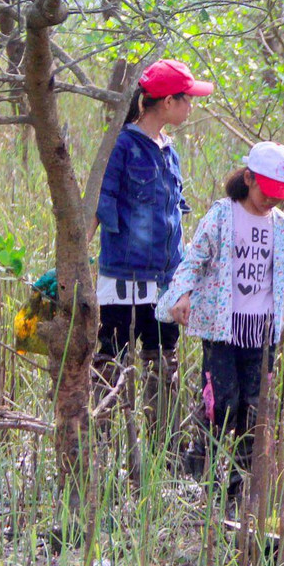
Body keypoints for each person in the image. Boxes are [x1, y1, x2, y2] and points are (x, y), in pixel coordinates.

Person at [157, 141, 284, 495]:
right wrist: (182, 294)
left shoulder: (282, 227)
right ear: (249, 178)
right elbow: (194, 260)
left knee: (255, 407)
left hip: (262, 333)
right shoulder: (222, 216)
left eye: (281, 194)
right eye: (268, 190)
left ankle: (239, 485)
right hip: (222, 329)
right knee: (223, 402)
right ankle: (203, 462)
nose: (273, 200)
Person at [93, 59, 212, 440]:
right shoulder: (123, 146)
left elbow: (174, 213)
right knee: (111, 360)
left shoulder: (169, 150)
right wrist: (76, 262)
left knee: (163, 362)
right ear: (165, 103)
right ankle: (101, 443)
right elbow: (101, 200)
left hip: (166, 281)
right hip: (124, 278)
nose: (191, 107)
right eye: (186, 100)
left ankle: (164, 448)